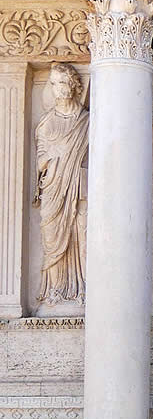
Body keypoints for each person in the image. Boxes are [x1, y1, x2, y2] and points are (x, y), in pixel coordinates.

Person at [33, 64, 89, 306]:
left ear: (74, 85)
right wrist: (55, 153)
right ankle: (55, 289)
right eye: (54, 84)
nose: (58, 89)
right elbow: (40, 161)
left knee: (82, 235)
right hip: (54, 186)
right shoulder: (47, 123)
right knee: (51, 236)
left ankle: (84, 287)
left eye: (63, 82)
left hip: (80, 186)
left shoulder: (88, 121)